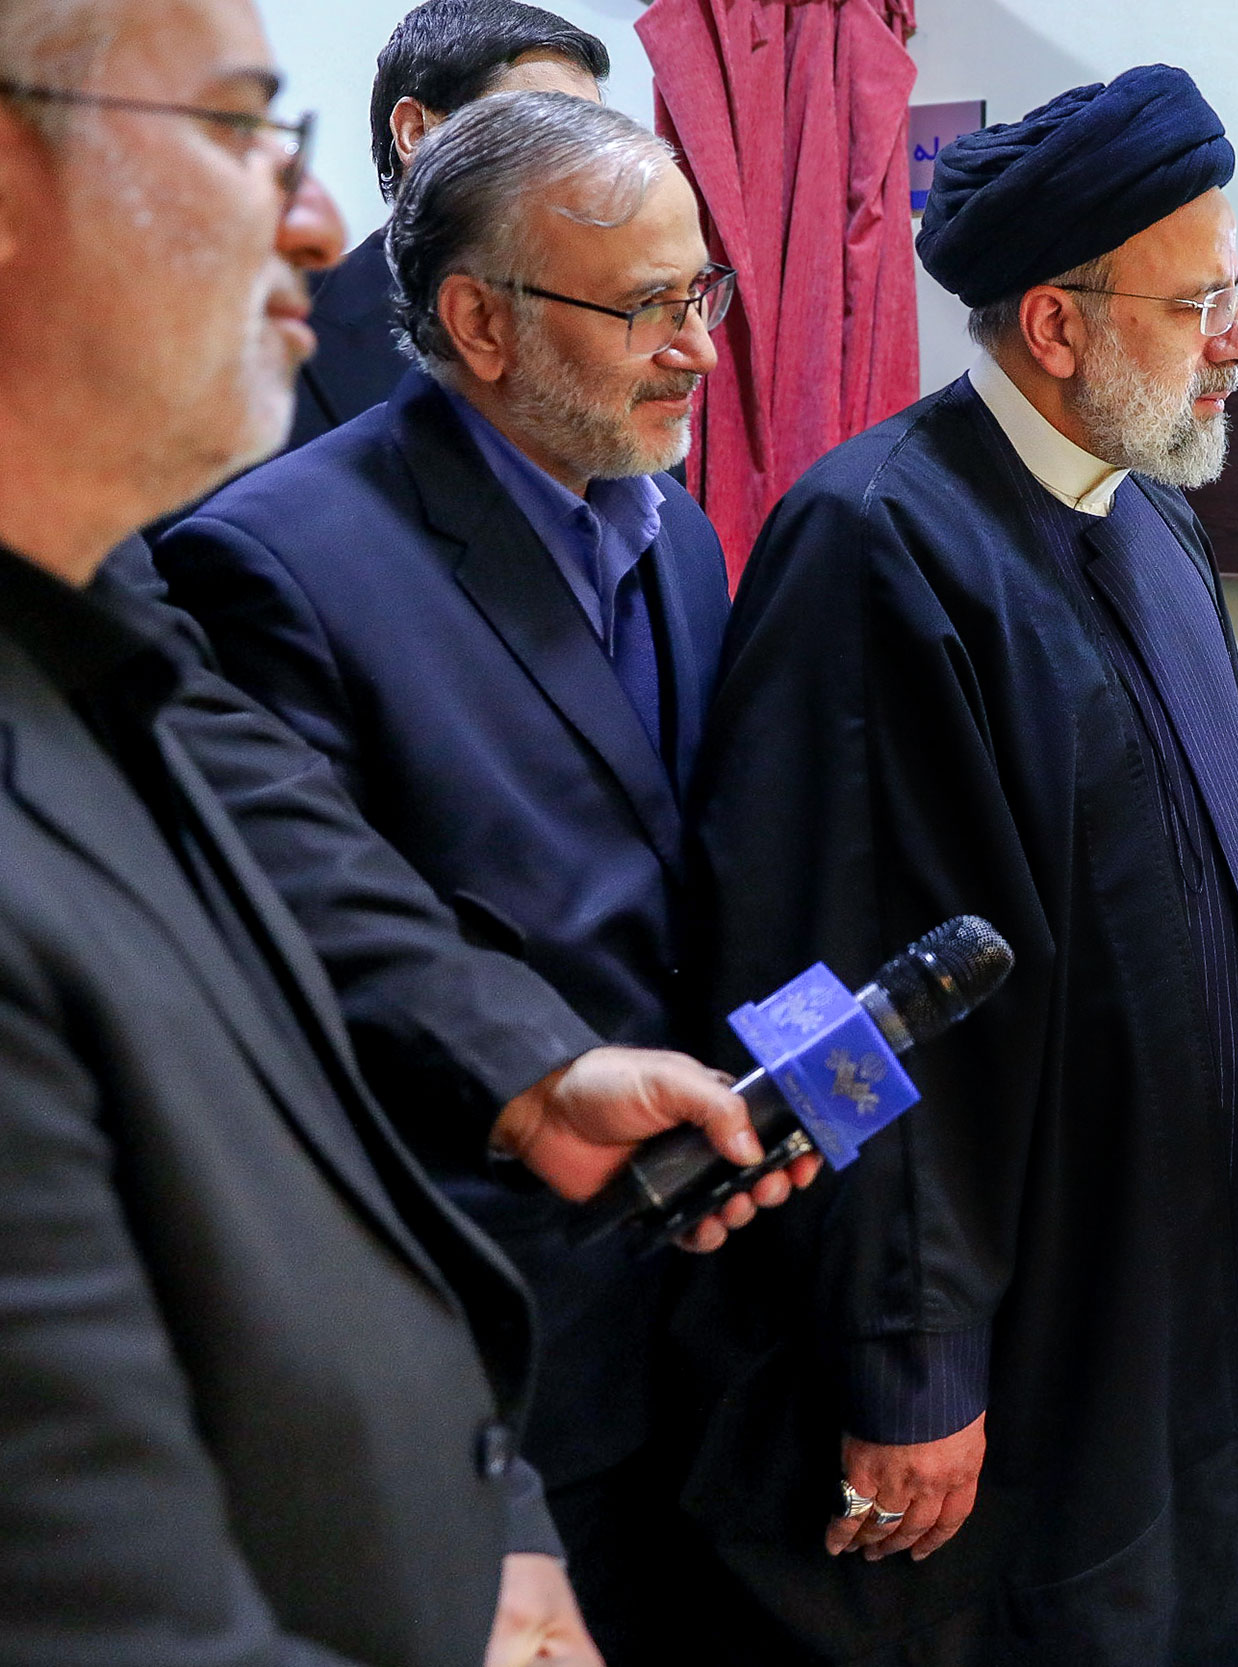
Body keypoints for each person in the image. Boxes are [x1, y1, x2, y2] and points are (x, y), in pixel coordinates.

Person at [0, 0, 767, 1660]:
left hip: (598, 1359)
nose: (320, 220)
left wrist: (542, 1073)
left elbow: (298, 858)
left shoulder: (105, 612)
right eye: (239, 129)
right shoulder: (265, 557)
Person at [683, 64, 1238, 1667]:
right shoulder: (881, 547)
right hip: (1034, 1324)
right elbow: (823, 992)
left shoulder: (1153, 524)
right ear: (1056, 325)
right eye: (1200, 303)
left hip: (1190, 1285)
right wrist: (910, 1361)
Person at [291, 0, 607, 451]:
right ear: (417, 133)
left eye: (591, 143)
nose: (579, 171)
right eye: (538, 131)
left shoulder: (615, 333)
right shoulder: (271, 324)